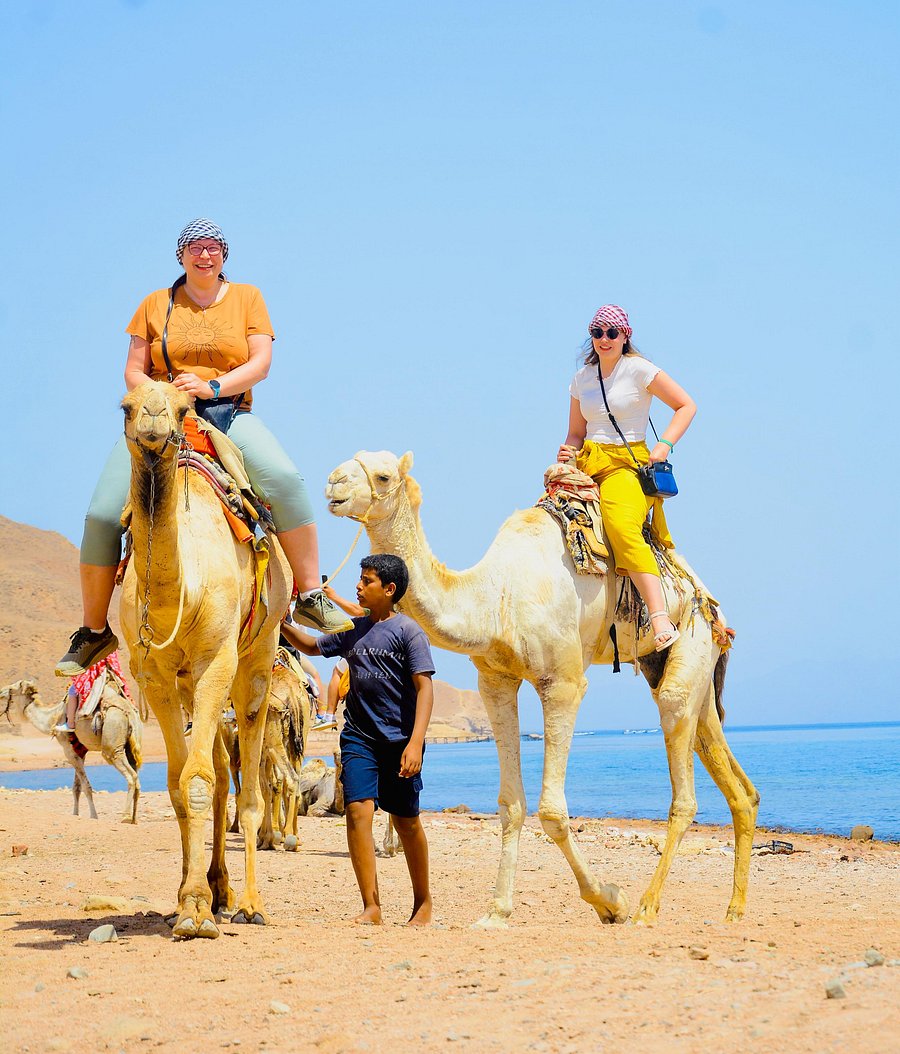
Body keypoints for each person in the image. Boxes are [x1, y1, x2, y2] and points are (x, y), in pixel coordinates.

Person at [56, 218, 351, 676]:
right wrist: (161, 395)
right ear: (181, 255)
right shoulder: (155, 304)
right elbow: (133, 370)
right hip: (161, 418)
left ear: (224, 255)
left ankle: (311, 594)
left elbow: (261, 362)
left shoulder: (248, 297)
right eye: (194, 247)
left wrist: (212, 386)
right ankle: (94, 630)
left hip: (227, 413)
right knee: (101, 515)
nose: (204, 255)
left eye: (213, 247)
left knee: (285, 480)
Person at [281, 554, 435, 925]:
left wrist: (415, 742)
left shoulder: (408, 631)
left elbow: (425, 688)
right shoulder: (353, 629)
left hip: (400, 740)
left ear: (389, 589)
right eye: (360, 579)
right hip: (359, 738)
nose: (358, 587)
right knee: (356, 812)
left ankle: (423, 903)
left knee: (406, 821)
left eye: (367, 581)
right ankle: (372, 907)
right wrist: (279, 622)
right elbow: (311, 646)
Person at [558, 304, 696, 651]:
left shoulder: (639, 370)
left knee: (620, 526)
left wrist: (664, 446)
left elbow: (686, 405)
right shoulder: (581, 379)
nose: (604, 339)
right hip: (588, 462)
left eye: (611, 333)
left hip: (625, 465)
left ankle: (659, 616)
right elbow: (576, 433)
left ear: (624, 336)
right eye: (597, 333)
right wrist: (566, 454)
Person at [54, 650, 131, 733]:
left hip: (95, 672)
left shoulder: (90, 644)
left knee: (72, 690)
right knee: (121, 687)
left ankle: (70, 723)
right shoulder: (110, 643)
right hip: (109, 671)